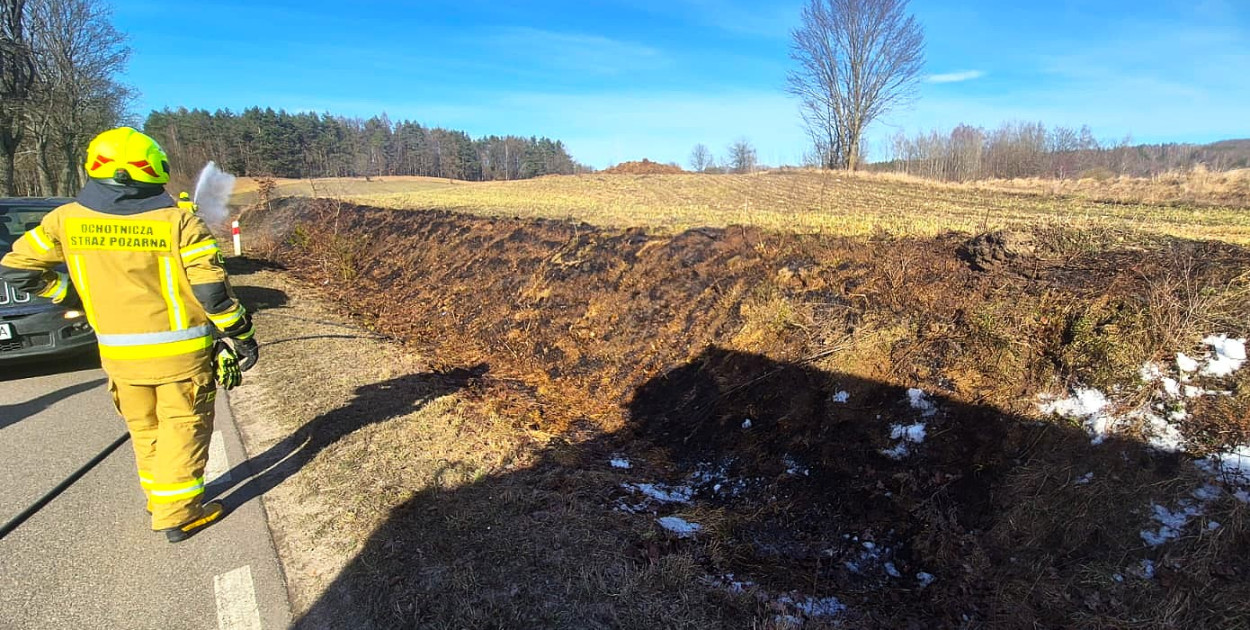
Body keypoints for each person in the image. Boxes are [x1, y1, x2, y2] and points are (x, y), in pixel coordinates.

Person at [0, 127, 258, 543]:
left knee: (146, 430)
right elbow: (211, 292)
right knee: (183, 428)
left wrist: (70, 294)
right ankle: (179, 514)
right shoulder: (178, 222)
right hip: (180, 357)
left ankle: (160, 500)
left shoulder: (65, 220)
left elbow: (16, 268)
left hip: (118, 357)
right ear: (151, 170)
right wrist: (241, 333)